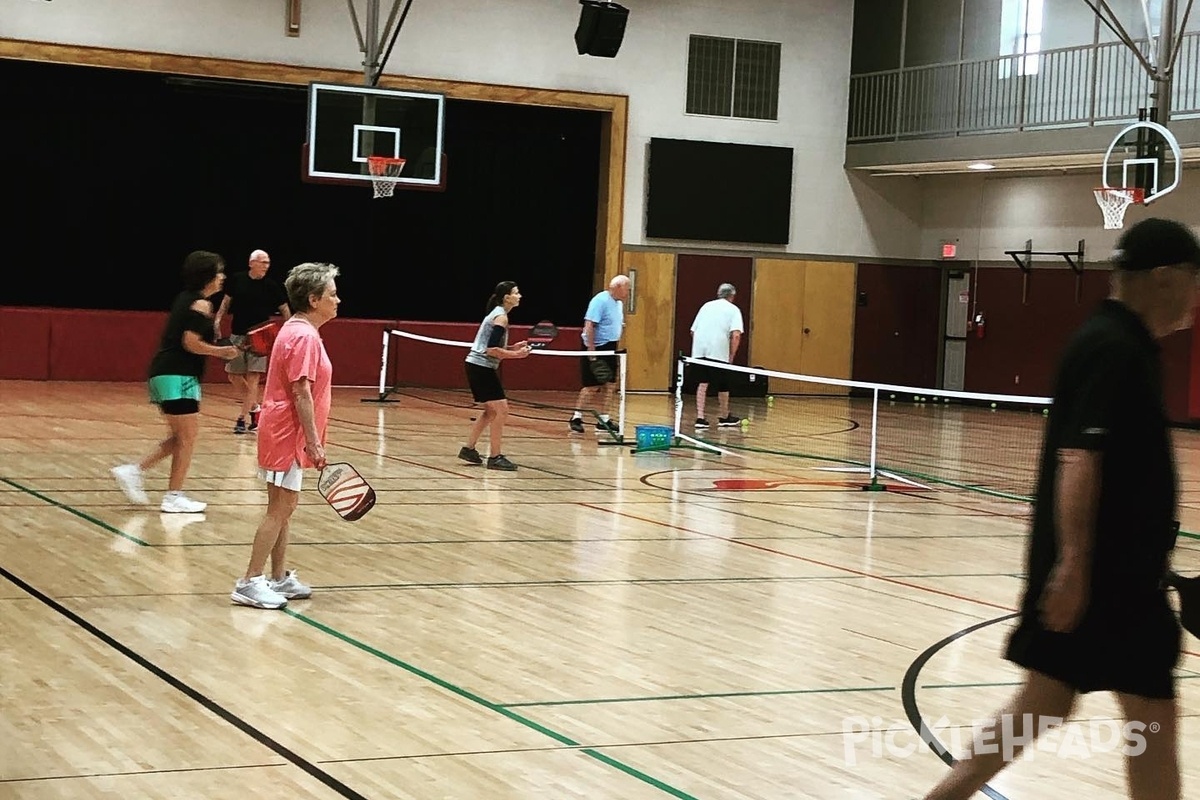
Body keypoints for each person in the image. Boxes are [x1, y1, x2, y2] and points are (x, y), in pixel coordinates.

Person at [921, 217, 1200, 800]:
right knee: (1142, 718)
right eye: (1195, 280)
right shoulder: (1113, 348)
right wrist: (1072, 567)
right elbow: (1080, 457)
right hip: (1103, 584)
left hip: (1118, 579)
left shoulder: (1122, 342)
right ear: (1165, 278)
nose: (1197, 297)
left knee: (1056, 706)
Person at [231, 262, 340, 609]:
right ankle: (249, 581)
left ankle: (278, 578)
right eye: (332, 294)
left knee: (285, 507)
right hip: (286, 434)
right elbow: (301, 392)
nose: (338, 300)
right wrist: (313, 440)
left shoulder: (298, 329)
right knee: (280, 507)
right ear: (313, 298)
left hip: (285, 431)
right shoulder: (303, 335)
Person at [112, 251, 240, 514]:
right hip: (178, 375)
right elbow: (190, 342)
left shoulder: (185, 299)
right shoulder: (202, 305)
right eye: (219, 271)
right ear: (207, 275)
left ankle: (134, 471)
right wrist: (222, 352)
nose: (223, 276)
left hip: (164, 374)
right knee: (188, 437)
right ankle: (172, 496)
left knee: (181, 436)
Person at [213, 249, 291, 434]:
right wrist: (217, 321)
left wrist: (289, 331)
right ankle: (256, 409)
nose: (266, 266)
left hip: (261, 337)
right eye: (263, 262)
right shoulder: (237, 280)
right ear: (251, 263)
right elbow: (225, 303)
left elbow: (285, 309)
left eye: (268, 263)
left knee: (253, 378)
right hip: (238, 334)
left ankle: (241, 419)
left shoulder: (271, 286)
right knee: (233, 374)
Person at [458, 281, 532, 471]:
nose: (520, 296)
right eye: (517, 293)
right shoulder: (501, 318)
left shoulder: (498, 314)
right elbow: (490, 350)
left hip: (477, 366)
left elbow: (490, 347)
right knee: (502, 410)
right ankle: (495, 457)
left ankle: (469, 449)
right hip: (481, 367)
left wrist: (511, 348)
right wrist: (517, 355)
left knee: (491, 411)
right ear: (507, 297)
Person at [569, 274, 629, 434]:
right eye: (626, 288)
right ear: (617, 287)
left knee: (610, 384)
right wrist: (591, 350)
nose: (628, 292)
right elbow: (589, 325)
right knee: (592, 386)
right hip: (596, 345)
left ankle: (604, 419)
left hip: (610, 346)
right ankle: (576, 417)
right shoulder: (600, 300)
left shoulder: (619, 304)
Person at [689, 282, 744, 428]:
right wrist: (731, 355)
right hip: (719, 352)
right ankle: (725, 416)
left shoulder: (706, 306)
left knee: (702, 383)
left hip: (699, 352)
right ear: (732, 296)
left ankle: (700, 418)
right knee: (723, 385)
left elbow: (693, 331)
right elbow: (736, 335)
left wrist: (699, 349)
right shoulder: (734, 310)